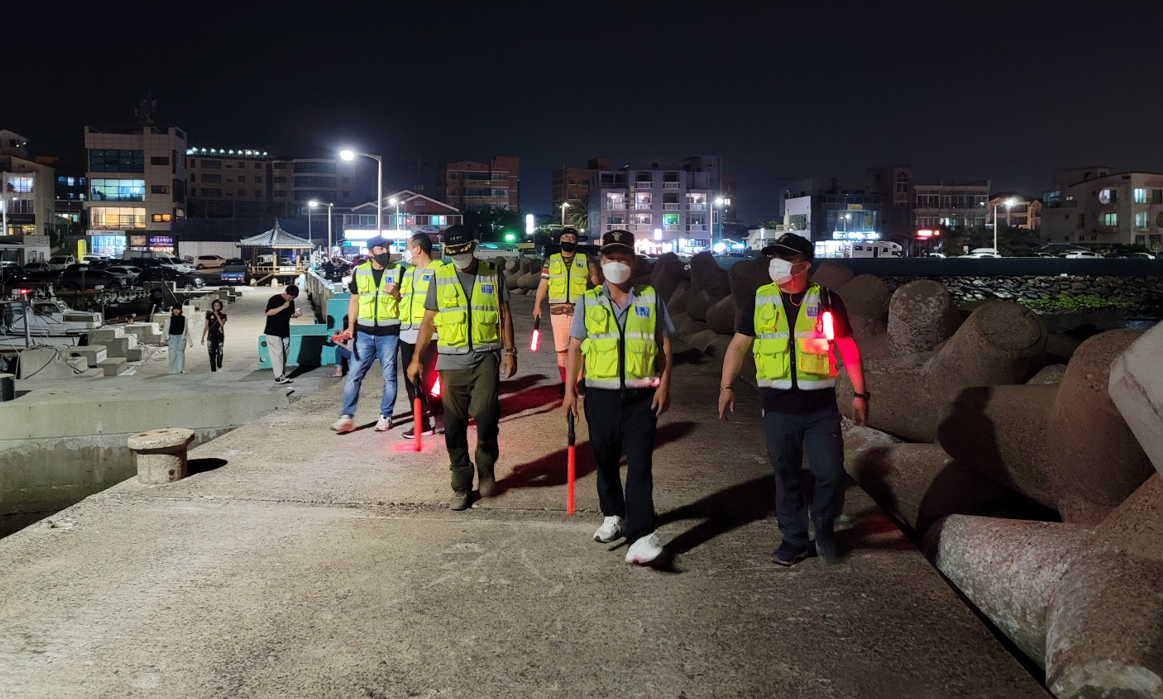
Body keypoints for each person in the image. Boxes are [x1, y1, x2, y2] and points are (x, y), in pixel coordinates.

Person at [717, 233, 869, 566]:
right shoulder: (761, 299)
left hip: (820, 409)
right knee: (786, 476)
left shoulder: (827, 299)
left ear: (805, 265)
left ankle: (825, 528)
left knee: (829, 473)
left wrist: (860, 393)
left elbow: (847, 348)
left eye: (785, 257)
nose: (777, 263)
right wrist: (726, 385)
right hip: (777, 408)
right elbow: (739, 345)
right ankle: (794, 539)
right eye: (774, 256)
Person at [563, 230, 675, 567]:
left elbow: (664, 345)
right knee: (606, 460)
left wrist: (665, 386)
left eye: (623, 258)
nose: (616, 264)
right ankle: (613, 514)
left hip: (642, 397)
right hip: (600, 395)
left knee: (641, 465)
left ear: (634, 262)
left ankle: (641, 535)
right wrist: (569, 389)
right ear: (600, 263)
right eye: (610, 258)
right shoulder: (588, 301)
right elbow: (575, 347)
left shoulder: (651, 298)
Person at [408, 225, 517, 511]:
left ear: (473, 246)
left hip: (485, 357)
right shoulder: (440, 276)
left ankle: (486, 464)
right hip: (450, 361)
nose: (459, 256)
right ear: (447, 252)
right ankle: (460, 485)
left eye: (463, 250)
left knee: (487, 418)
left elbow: (505, 314)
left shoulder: (492, 272)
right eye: (453, 252)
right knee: (454, 427)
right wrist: (417, 358)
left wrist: (510, 351)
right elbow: (428, 321)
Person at [332, 236, 404, 434]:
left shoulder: (399, 270)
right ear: (371, 252)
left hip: (389, 333)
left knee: (389, 376)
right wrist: (351, 327)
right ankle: (346, 416)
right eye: (381, 249)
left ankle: (385, 416)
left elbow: (406, 300)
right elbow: (354, 300)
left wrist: (396, 293)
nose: (385, 252)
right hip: (363, 332)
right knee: (354, 375)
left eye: (387, 248)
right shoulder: (360, 271)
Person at [533, 227, 599, 395]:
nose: (568, 240)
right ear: (559, 240)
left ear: (577, 242)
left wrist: (596, 270)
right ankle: (565, 383)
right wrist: (537, 305)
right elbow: (543, 285)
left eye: (571, 237)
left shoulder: (585, 259)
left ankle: (579, 380)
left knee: (580, 348)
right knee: (562, 349)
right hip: (558, 311)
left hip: (581, 311)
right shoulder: (551, 261)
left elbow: (597, 283)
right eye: (565, 237)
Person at [398, 232, 444, 438]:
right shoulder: (408, 273)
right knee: (412, 380)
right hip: (406, 334)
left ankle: (442, 418)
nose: (406, 250)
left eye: (408, 246)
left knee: (433, 379)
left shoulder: (441, 270)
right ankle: (422, 422)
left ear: (418, 249)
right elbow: (406, 299)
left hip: (431, 334)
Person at [264, 285, 300, 385]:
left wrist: (295, 315)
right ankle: (278, 377)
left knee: (284, 354)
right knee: (277, 353)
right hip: (273, 331)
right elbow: (268, 313)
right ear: (286, 292)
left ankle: (282, 375)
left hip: (284, 331)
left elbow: (289, 314)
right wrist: (283, 307)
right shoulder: (275, 299)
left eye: (293, 298)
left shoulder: (291, 302)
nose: (291, 299)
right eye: (290, 297)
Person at [164, 306, 192, 374]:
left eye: (178, 309)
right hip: (172, 337)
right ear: (172, 310)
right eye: (174, 309)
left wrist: (190, 341)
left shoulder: (185, 319)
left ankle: (180, 369)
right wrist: (163, 340)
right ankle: (172, 369)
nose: (176, 311)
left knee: (180, 353)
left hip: (181, 337)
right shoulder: (169, 319)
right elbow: (165, 330)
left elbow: (186, 330)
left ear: (180, 310)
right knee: (172, 353)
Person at [201, 299, 227, 371]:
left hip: (219, 336)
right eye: (215, 305)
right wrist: (203, 337)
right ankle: (213, 369)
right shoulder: (209, 315)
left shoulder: (223, 315)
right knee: (211, 354)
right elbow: (206, 327)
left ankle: (219, 365)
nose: (216, 307)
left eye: (218, 305)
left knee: (220, 352)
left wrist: (217, 315)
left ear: (220, 307)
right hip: (211, 336)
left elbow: (222, 324)